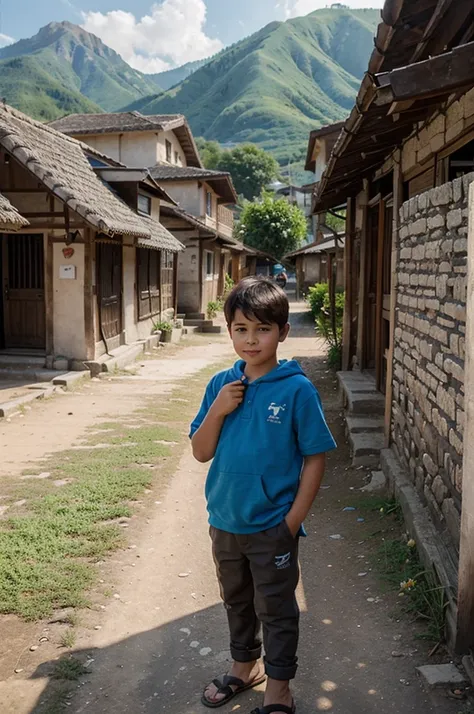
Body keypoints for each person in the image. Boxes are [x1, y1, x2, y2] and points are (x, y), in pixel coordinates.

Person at [190, 276, 336, 714]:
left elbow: (315, 458)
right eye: (240, 329)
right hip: (225, 521)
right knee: (235, 599)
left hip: (272, 526)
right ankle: (243, 667)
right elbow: (200, 452)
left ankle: (279, 689)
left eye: (262, 329)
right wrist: (218, 409)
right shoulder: (220, 384)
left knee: (275, 608)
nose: (251, 340)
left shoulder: (296, 390)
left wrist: (290, 523)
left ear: (283, 332)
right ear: (229, 330)